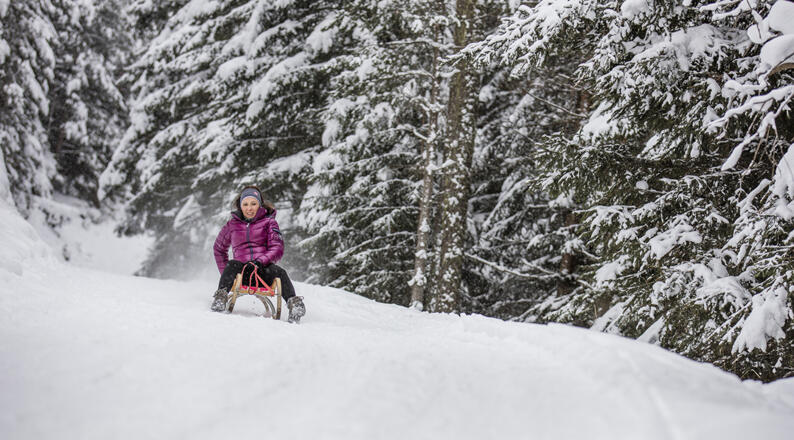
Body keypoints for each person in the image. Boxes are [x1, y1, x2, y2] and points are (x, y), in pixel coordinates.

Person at [211, 185, 305, 323]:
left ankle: (294, 304)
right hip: (241, 272)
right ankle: (220, 298)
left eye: (253, 204)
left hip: (262, 271)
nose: (249, 208)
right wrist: (227, 275)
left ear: (259, 205)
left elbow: (277, 247)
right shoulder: (232, 225)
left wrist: (261, 261)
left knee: (279, 272)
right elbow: (219, 248)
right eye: (246, 204)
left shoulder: (269, 222)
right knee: (232, 264)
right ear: (240, 206)